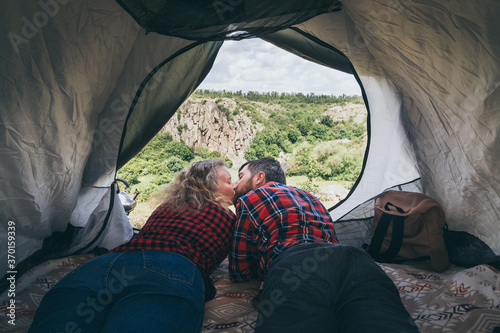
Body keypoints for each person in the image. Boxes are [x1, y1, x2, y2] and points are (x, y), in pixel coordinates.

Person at [28, 159, 236, 333]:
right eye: (228, 181)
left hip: (109, 263)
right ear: (209, 184)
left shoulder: (167, 206)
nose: (234, 186)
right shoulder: (228, 216)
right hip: (172, 267)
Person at [229, 157, 419, 333]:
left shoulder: (249, 199)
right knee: (386, 324)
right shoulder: (309, 197)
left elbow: (240, 270)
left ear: (259, 178)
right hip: (355, 259)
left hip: (296, 262)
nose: (235, 184)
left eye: (240, 176)